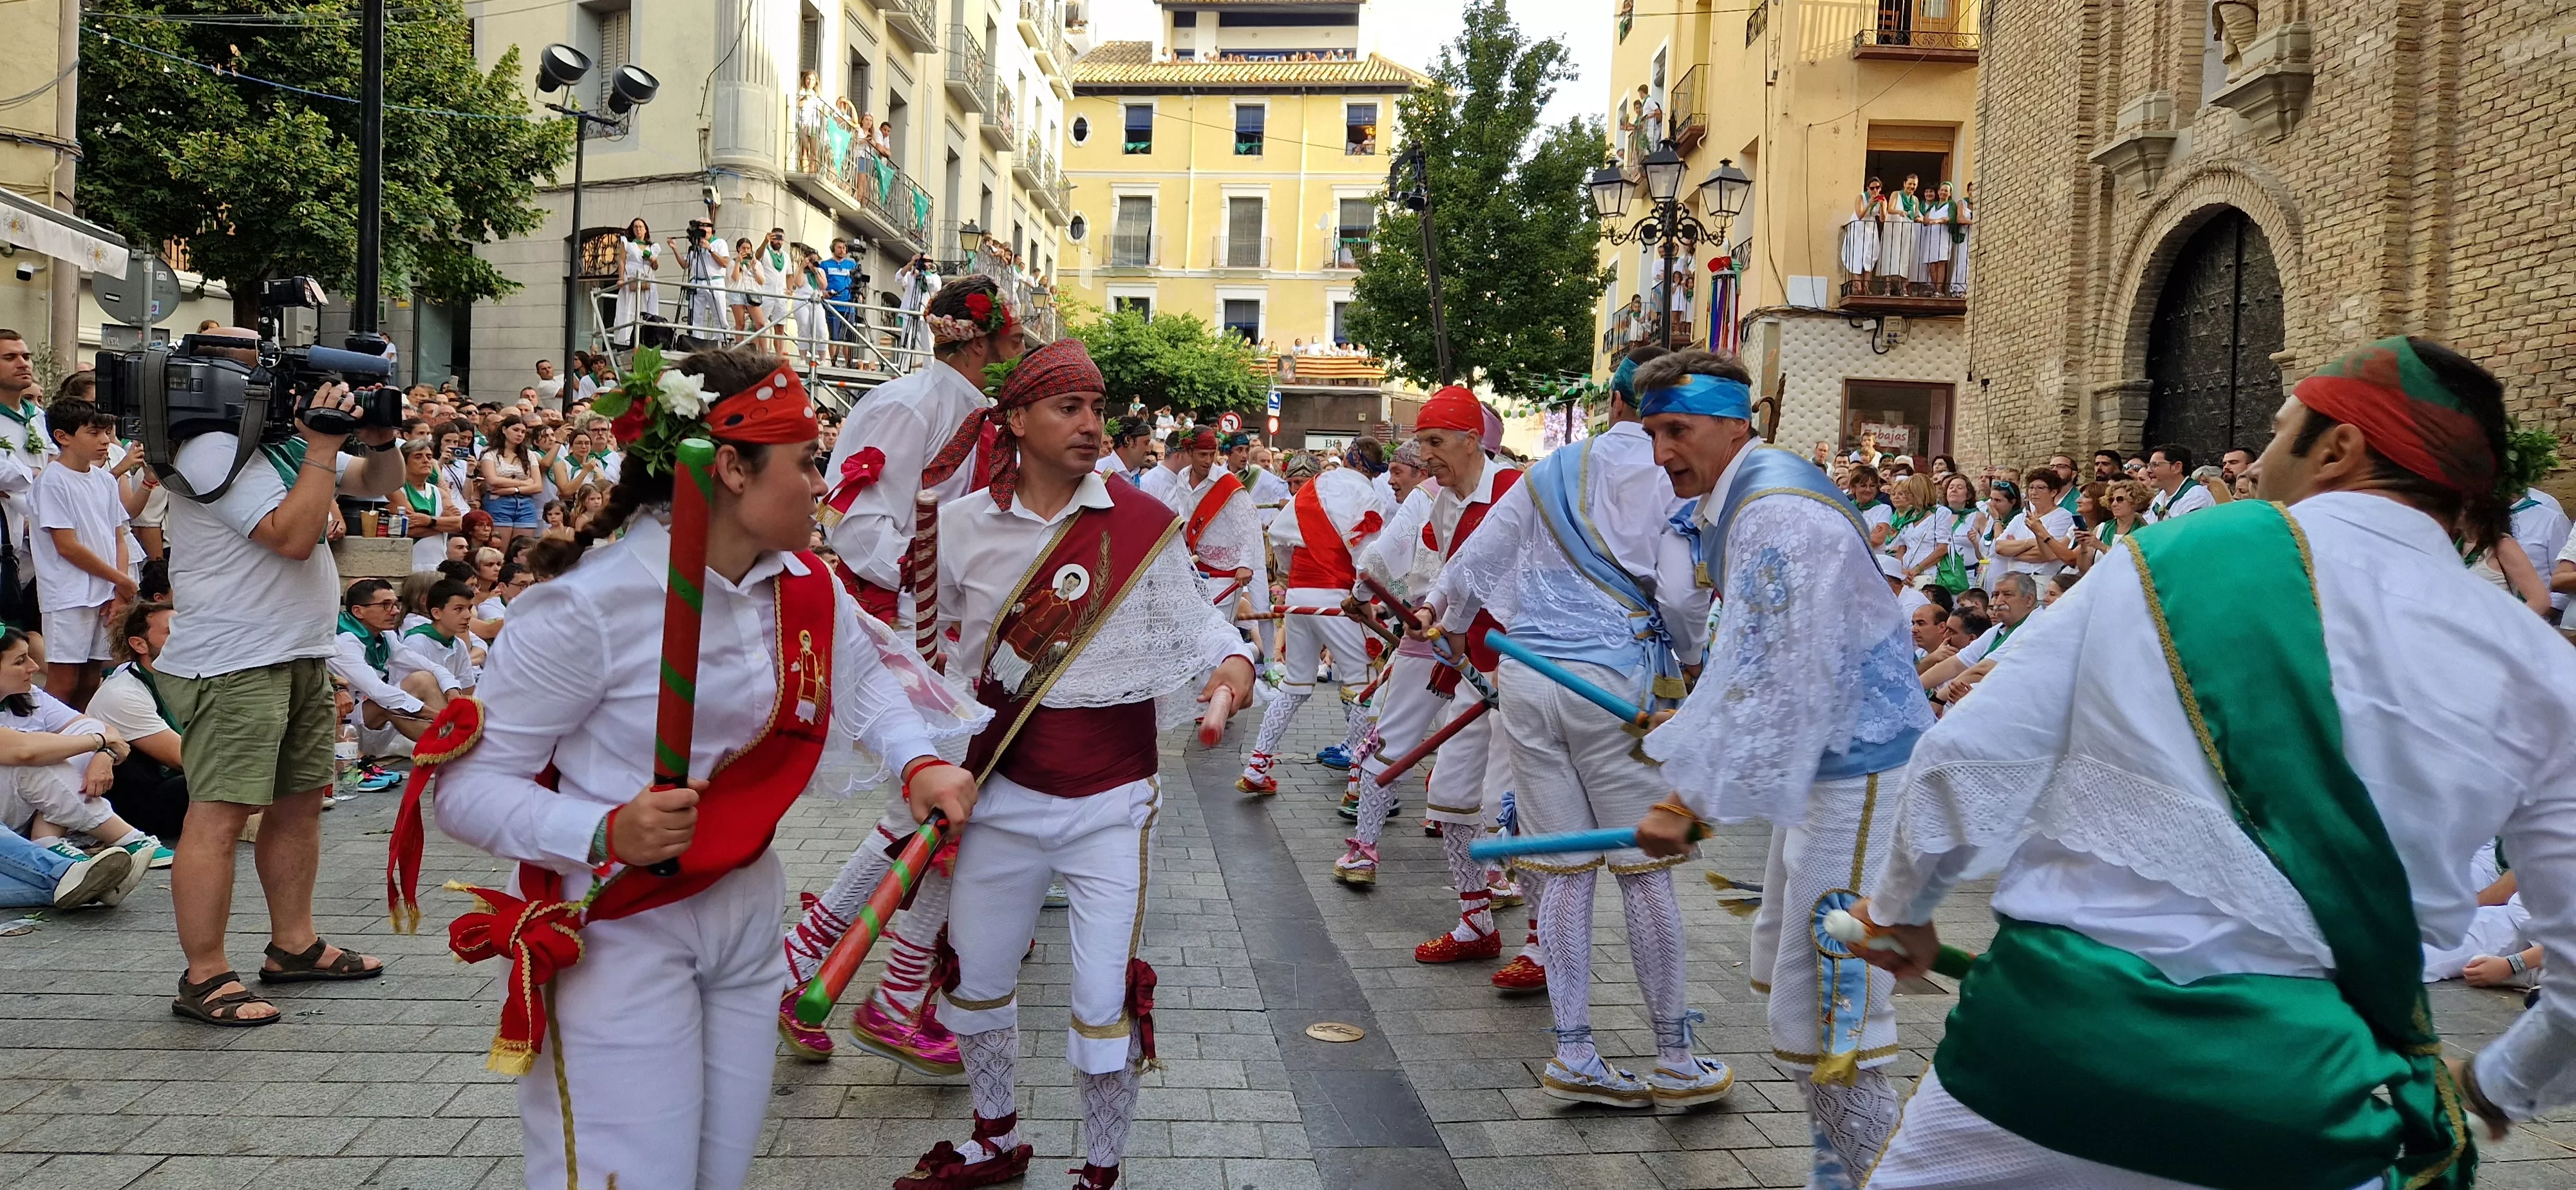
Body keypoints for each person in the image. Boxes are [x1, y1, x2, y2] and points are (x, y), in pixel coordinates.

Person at [1853, 336, 2576, 1189]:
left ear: (2340, 449)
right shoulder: (2542, 667)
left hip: (2045, 1060)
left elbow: (1961, 757)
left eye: (2279, 433)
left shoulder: (2173, 558)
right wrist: (2500, 1082)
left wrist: (1903, 911)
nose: (2262, 460)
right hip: (2299, 1102)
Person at [415, 345, 984, 1190]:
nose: (824, 483)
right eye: (806, 461)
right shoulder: (586, 608)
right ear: (730, 469)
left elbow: (869, 694)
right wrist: (605, 828)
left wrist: (920, 766)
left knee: (717, 1176)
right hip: (621, 924)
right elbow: (462, 790)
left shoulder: (803, 585)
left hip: (748, 909)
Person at [907, 338, 1253, 1190]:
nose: (1092, 425)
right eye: (1070, 407)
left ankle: (1101, 1172)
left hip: (1112, 800)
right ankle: (994, 1141)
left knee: (1102, 1003)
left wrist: (1234, 664)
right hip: (998, 791)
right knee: (980, 980)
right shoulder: (957, 526)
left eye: (1098, 408)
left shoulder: (1135, 523)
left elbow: (1198, 618)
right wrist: (926, 755)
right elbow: (935, 658)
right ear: (1017, 420)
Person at [1627, 348, 1935, 1189]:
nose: (1661, 453)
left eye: (1677, 430)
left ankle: (1882, 1180)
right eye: (1652, 432)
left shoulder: (1777, 512)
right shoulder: (1750, 495)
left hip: (1860, 766)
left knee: (1829, 1019)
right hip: (1828, 767)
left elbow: (1780, 674)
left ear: (1736, 423)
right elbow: (1754, 659)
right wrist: (1690, 724)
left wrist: (1686, 798)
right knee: (1791, 981)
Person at [1424, 355, 1726, 1108]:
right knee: (1643, 871)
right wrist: (1687, 666)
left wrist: (1443, 616)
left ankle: (1575, 1053)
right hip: (1618, 684)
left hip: (1531, 680)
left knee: (1561, 871)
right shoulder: (1673, 472)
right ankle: (1674, 1056)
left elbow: (1475, 559)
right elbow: (1684, 596)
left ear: (1611, 400)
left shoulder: (1553, 466)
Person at [785, 276, 1026, 1070]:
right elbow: (858, 528)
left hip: (958, 633)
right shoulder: (908, 403)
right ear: (983, 338)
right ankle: (839, 976)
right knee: (937, 809)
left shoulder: (979, 415)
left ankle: (845, 975)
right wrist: (944, 592)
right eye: (1010, 333)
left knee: (949, 814)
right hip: (907, 631)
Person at [155, 331, 399, 1027]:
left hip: (295, 651)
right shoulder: (206, 444)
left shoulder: (274, 440)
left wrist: (377, 441)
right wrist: (322, 449)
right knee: (221, 813)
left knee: (297, 804)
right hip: (234, 660)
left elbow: (374, 484)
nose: (263, 367)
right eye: (246, 358)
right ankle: (204, 975)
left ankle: (293, 945)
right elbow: (291, 536)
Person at [1384, 386, 1526, 965]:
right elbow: (1453, 575)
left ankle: (1543, 945)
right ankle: (1475, 923)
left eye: (1437, 443)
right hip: (1468, 666)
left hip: (1525, 666)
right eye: (1422, 444)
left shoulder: (1517, 490)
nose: (1427, 457)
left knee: (1516, 806)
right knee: (1450, 793)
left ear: (1473, 441)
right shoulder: (1441, 501)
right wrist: (1427, 611)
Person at [1238, 442, 1384, 794]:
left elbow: (1279, 535)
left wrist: (1296, 579)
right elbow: (1368, 556)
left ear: (1348, 457)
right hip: (1339, 596)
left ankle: (1256, 767)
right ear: (1373, 470)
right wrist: (1371, 599)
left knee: (1294, 686)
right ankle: (1356, 784)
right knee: (1363, 684)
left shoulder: (1315, 485)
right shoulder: (1368, 495)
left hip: (1299, 595)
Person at [32, 398, 143, 708]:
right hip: (68, 595)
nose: (105, 440)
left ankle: (81, 742)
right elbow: (67, 546)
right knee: (65, 680)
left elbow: (118, 537)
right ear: (63, 437)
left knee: (93, 677)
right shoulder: (52, 481)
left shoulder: (105, 481)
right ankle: (50, 746)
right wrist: (120, 580)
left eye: (106, 432)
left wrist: (118, 588)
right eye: (94, 433)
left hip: (105, 592)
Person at [88, 599, 187, 843]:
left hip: (165, 780)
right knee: (216, 778)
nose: (186, 638)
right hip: (138, 805)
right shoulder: (123, 693)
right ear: (140, 644)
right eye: (172, 632)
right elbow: (186, 758)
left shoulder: (177, 676)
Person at [0, 331, 57, 628]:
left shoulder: (38, 417)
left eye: (26, 356)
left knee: (27, 632)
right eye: (10, 358)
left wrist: (30, 479)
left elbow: (58, 466)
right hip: (5, 538)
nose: (23, 363)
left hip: (35, 541)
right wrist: (37, 476)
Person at [478, 417, 545, 544]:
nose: (520, 434)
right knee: (499, 548)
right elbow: (493, 480)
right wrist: (525, 483)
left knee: (523, 549)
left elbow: (538, 486)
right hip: (499, 503)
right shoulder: (490, 453)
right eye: (516, 430)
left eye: (523, 432)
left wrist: (513, 490)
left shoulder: (529, 454)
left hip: (525, 504)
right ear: (504, 430)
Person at [611, 219, 662, 348]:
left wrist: (653, 259)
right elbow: (622, 261)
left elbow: (655, 267)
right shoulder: (627, 243)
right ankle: (627, 338)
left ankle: (647, 338)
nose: (638, 229)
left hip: (647, 277)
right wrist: (621, 278)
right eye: (635, 227)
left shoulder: (652, 247)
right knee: (630, 306)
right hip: (632, 276)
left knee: (647, 307)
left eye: (641, 227)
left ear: (646, 229)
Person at [818, 238, 864, 369]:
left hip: (849, 305)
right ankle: (834, 363)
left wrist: (859, 294)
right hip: (833, 305)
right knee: (834, 336)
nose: (843, 250)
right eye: (839, 247)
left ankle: (848, 363)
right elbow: (820, 283)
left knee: (849, 337)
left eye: (844, 248)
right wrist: (824, 293)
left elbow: (858, 281)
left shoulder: (851, 265)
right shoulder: (825, 265)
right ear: (833, 249)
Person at [2143, 442, 2215, 521]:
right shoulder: (2160, 498)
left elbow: (2188, 532)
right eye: (2149, 466)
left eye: (2155, 465)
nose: (2148, 471)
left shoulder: (2197, 497)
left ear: (2177, 467)